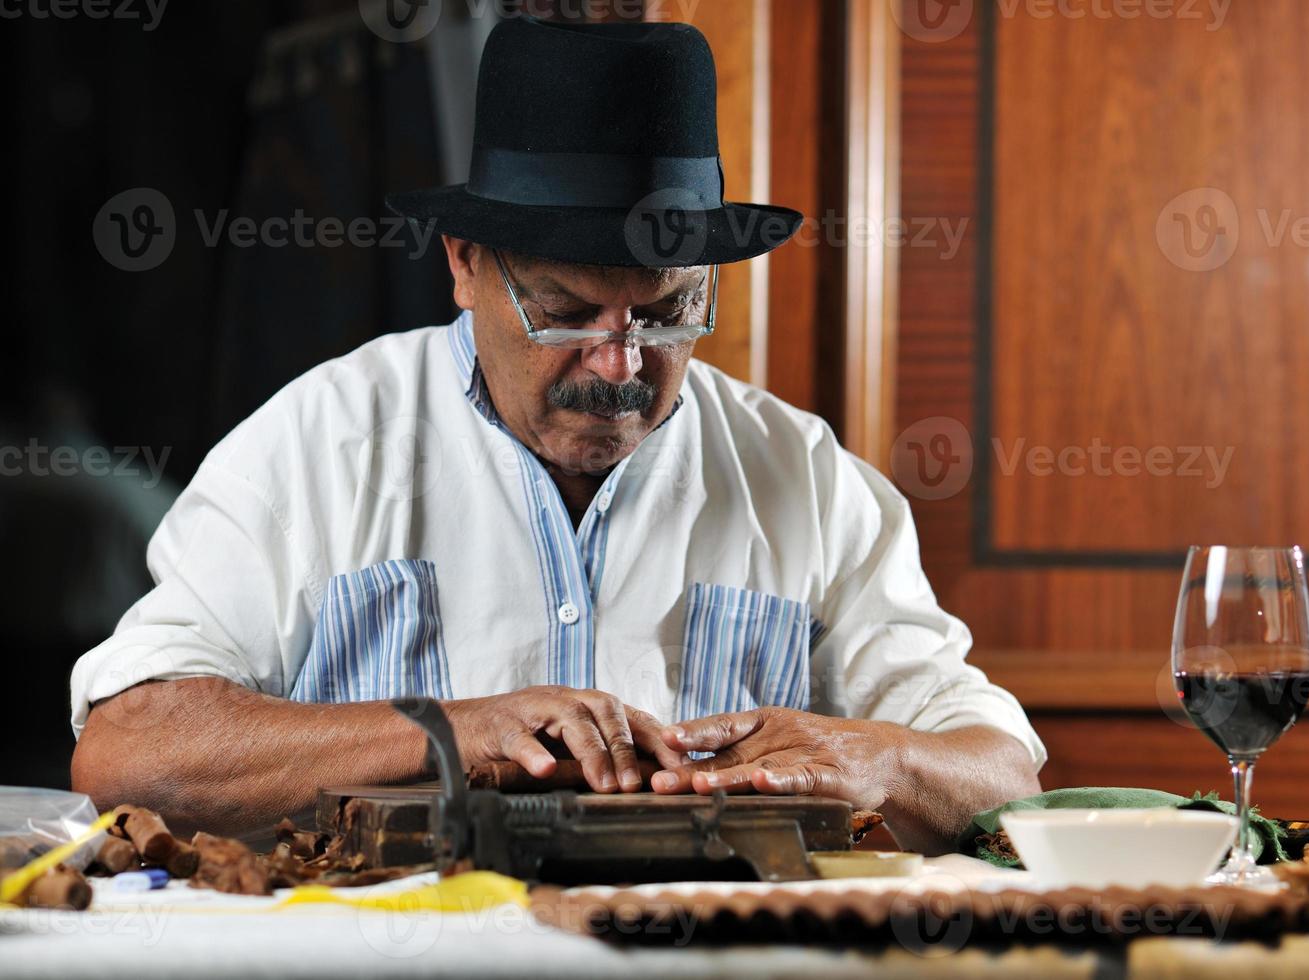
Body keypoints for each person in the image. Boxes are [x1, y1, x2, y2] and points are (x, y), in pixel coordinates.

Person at [70, 17, 1043, 851]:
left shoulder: (805, 478)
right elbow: (129, 752)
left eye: (665, 312)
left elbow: (1000, 777)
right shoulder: (314, 446)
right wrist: (443, 733)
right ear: (464, 265)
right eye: (566, 311)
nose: (619, 365)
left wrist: (867, 756)